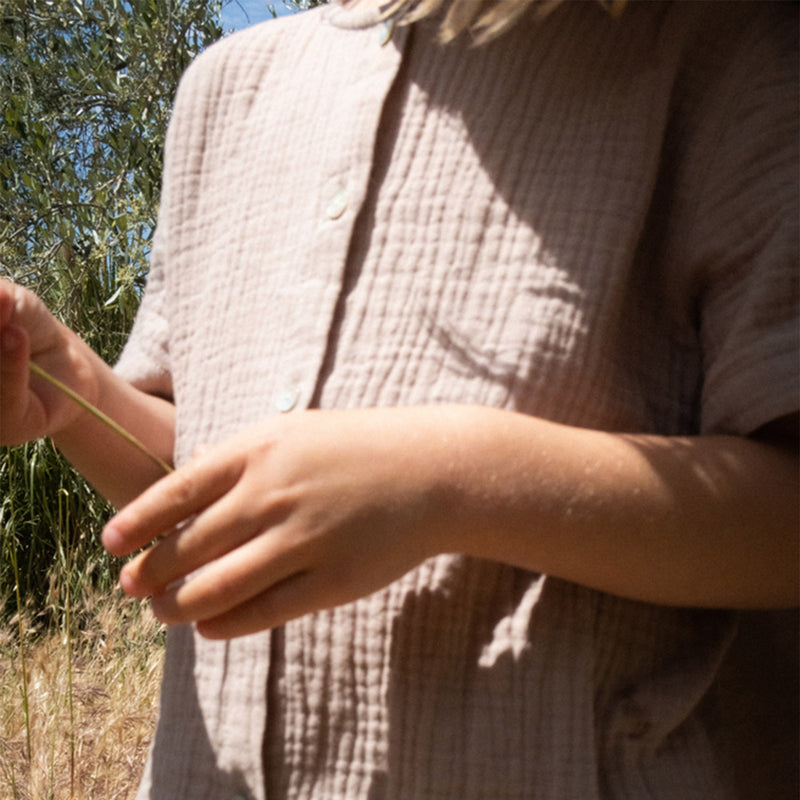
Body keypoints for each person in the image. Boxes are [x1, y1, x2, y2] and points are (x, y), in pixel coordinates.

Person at [1, 0, 797, 797]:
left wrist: (445, 481)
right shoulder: (222, 92)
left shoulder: (728, 49)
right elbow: (213, 483)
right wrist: (71, 386)